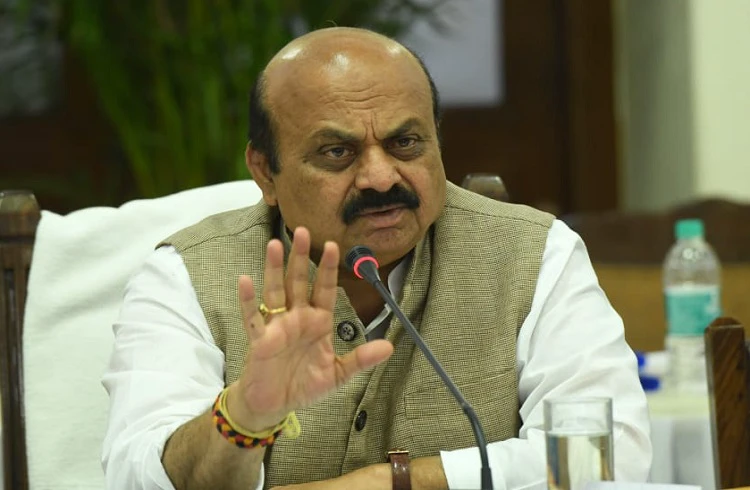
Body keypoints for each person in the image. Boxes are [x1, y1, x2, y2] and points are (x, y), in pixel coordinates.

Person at [101, 27, 651, 489]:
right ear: (265, 172)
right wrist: (243, 415)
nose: (381, 177)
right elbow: (137, 475)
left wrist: (394, 481)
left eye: (405, 143)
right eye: (336, 152)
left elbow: (607, 455)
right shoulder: (184, 274)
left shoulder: (533, 252)